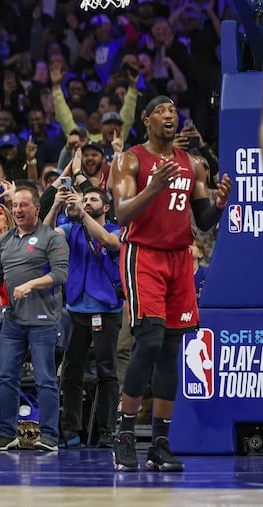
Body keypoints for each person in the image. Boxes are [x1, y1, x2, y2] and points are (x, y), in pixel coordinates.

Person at [109, 95, 232, 472]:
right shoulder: (129, 159)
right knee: (149, 340)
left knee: (171, 350)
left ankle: (160, 441)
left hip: (180, 258)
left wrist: (221, 206)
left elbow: (204, 220)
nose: (169, 115)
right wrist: (153, 187)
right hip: (143, 254)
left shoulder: (193, 164)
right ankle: (125, 432)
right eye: (161, 111)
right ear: (145, 120)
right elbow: (120, 213)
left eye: (174, 111)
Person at [0, 186, 69, 453]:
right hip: (12, 320)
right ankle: (7, 434)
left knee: (45, 378)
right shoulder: (7, 239)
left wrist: (31, 284)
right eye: (15, 206)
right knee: (7, 377)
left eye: (24, 205)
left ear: (37, 208)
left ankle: (49, 436)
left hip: (43, 320)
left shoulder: (51, 237)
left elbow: (60, 275)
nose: (18, 210)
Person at [44, 187, 123, 449]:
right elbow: (44, 237)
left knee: (106, 372)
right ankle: (70, 428)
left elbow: (110, 244)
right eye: (84, 199)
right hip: (76, 310)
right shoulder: (70, 229)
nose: (86, 202)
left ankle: (107, 429)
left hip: (107, 310)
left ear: (106, 207)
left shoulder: (115, 229)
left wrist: (82, 212)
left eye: (92, 200)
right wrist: (56, 205)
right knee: (71, 372)